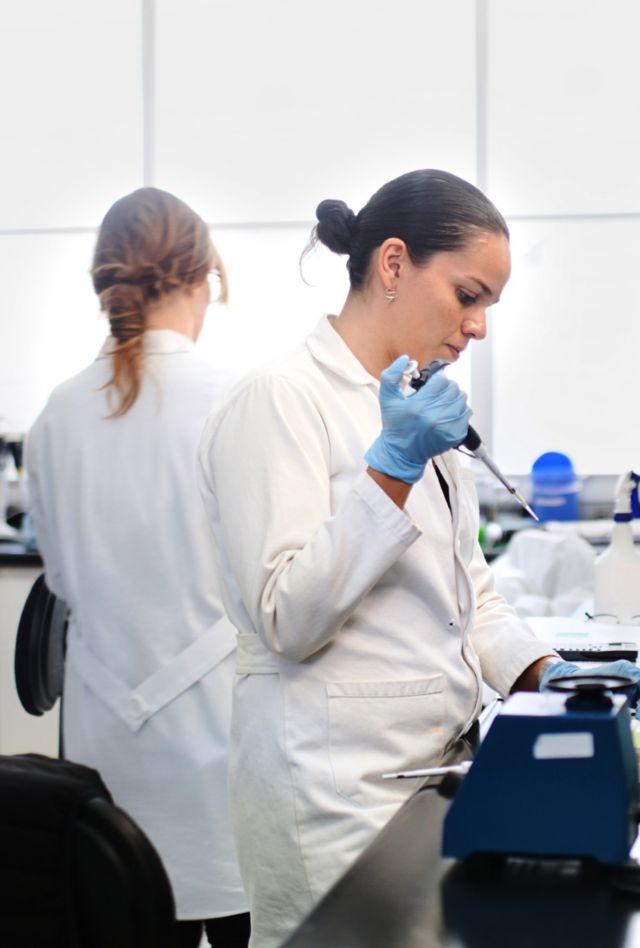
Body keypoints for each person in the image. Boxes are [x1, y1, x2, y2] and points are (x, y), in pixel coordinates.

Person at [197, 169, 640, 947]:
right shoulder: (279, 400)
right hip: (330, 797)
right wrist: (391, 467)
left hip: (431, 785)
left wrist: (549, 672)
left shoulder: (420, 412)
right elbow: (287, 616)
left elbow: (470, 596)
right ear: (394, 264)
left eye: (489, 306)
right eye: (468, 295)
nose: (478, 327)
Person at [26, 187, 250, 948]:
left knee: (126, 912)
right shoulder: (231, 399)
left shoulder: (57, 414)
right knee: (235, 916)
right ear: (203, 278)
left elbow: (60, 581)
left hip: (105, 748)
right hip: (217, 747)